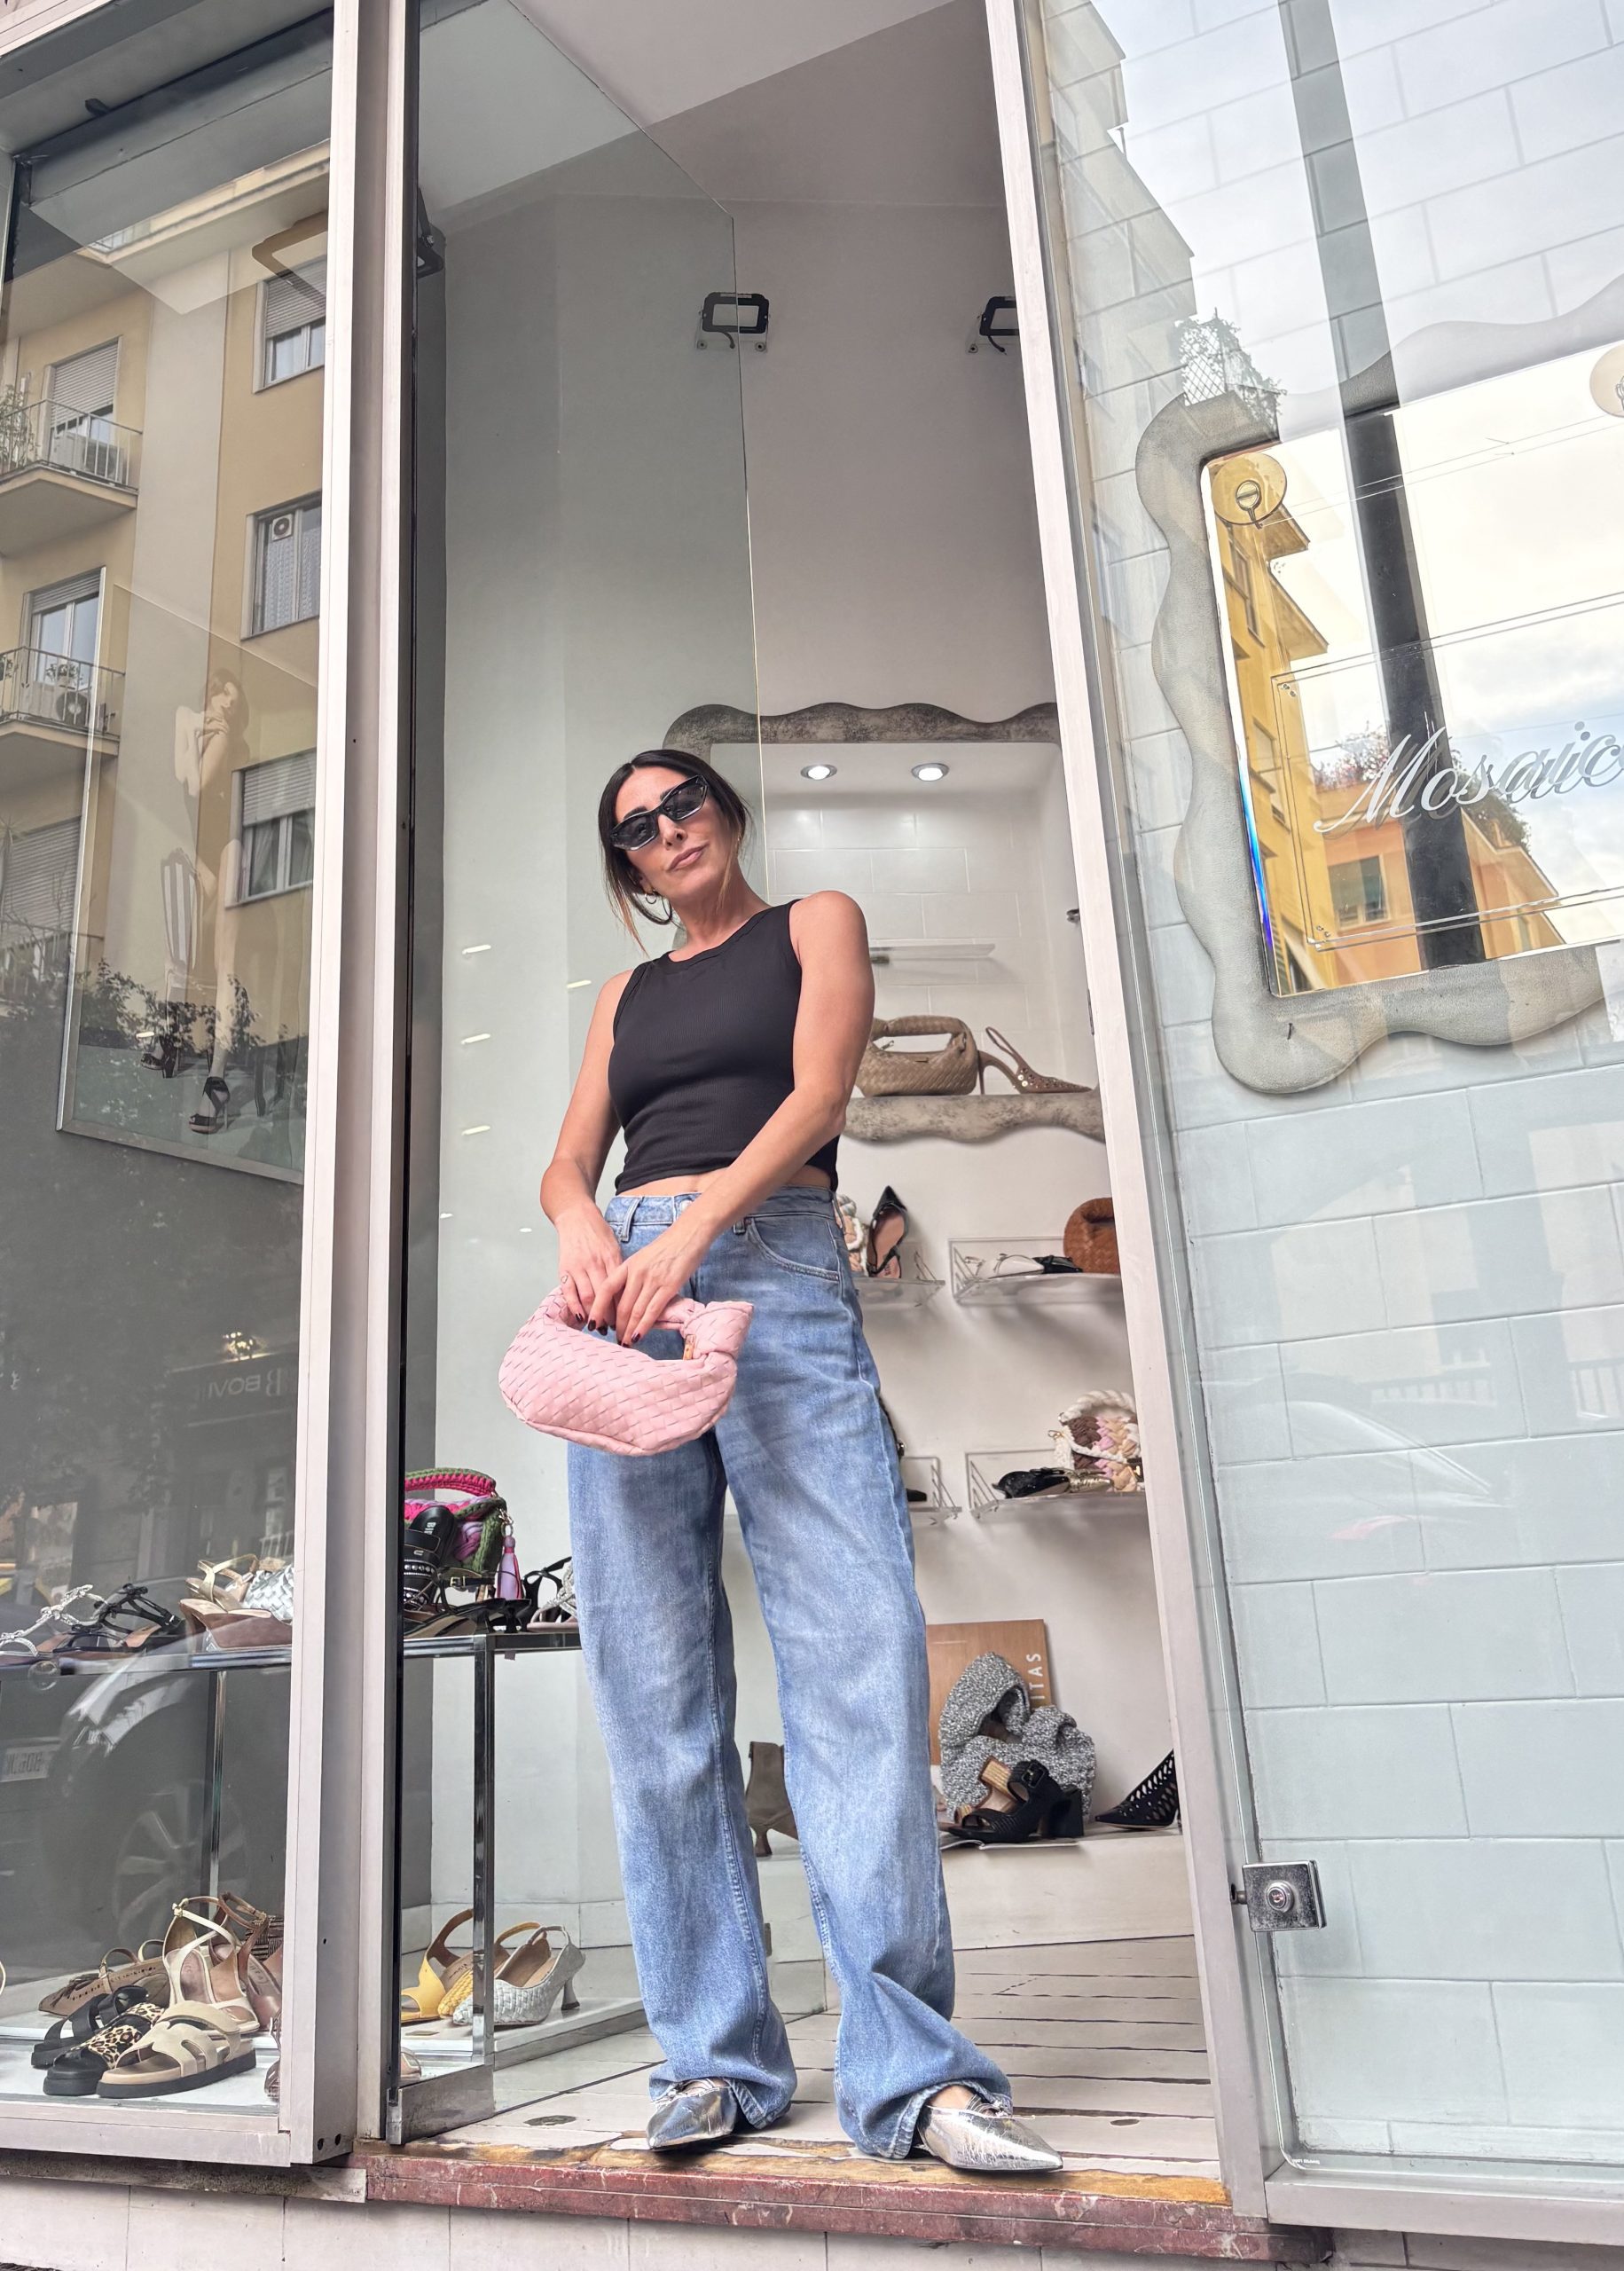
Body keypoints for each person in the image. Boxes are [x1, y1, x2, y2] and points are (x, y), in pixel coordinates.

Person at [538, 749, 1062, 2172]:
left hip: (768, 1263)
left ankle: (914, 2078)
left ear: (724, 812)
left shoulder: (814, 923)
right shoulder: (625, 996)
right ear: (628, 864)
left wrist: (697, 1231)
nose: (667, 832)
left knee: (857, 1657)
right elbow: (568, 1160)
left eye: (683, 805)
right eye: (637, 828)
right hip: (624, 1292)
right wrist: (588, 1228)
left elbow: (821, 1095)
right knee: (652, 1688)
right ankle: (713, 2060)